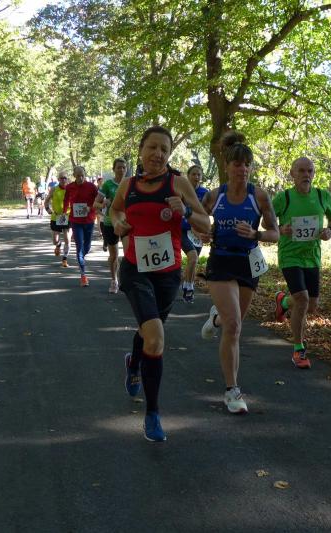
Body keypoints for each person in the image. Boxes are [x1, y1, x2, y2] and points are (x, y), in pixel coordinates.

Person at [109, 126, 210, 442]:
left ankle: (134, 362)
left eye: (164, 149)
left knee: (149, 335)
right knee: (155, 336)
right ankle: (152, 414)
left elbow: (205, 223)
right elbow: (115, 210)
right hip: (135, 270)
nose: (158, 154)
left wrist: (187, 210)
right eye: (152, 147)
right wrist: (118, 223)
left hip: (168, 274)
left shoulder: (178, 183)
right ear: (141, 150)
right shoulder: (128, 185)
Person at [199, 131, 279, 414]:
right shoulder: (215, 196)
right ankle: (232, 390)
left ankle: (216, 318)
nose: (242, 169)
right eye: (237, 164)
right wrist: (204, 233)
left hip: (247, 263)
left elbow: (275, 233)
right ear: (227, 166)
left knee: (233, 323)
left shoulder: (259, 196)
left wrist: (256, 233)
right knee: (234, 326)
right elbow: (197, 221)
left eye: (247, 165)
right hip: (221, 261)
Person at [271, 157, 331, 369]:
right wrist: (280, 229)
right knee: (302, 299)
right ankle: (298, 349)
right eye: (301, 171)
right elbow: (267, 221)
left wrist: (329, 230)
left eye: (310, 171)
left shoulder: (322, 196)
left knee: (311, 305)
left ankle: (283, 302)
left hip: (312, 256)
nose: (306, 175)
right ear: (292, 174)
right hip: (290, 255)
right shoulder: (284, 198)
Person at [94, 159, 127, 293]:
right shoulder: (108, 185)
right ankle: (114, 280)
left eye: (124, 167)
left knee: (129, 254)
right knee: (114, 255)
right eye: (119, 167)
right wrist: (103, 203)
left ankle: (127, 280)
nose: (121, 170)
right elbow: (95, 204)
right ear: (113, 169)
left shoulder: (130, 183)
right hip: (110, 223)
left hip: (126, 223)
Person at [63, 166, 98, 286]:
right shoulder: (70, 187)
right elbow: (66, 200)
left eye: (82, 175)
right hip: (75, 221)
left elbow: (98, 201)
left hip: (89, 220)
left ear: (85, 174)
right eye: (78, 176)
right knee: (79, 247)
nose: (80, 178)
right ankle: (83, 275)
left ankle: (81, 256)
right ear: (74, 175)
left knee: (87, 247)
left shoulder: (91, 187)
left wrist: (90, 208)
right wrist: (64, 212)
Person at [180, 165, 209, 303]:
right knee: (193, 257)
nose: (196, 177)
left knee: (194, 260)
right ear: (188, 175)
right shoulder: (181, 190)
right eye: (194, 174)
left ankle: (187, 284)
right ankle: (189, 287)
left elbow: (208, 212)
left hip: (198, 231)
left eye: (199, 174)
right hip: (182, 230)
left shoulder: (205, 193)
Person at [45, 171, 71, 267]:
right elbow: (46, 201)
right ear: (58, 179)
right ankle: (58, 245)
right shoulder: (54, 189)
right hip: (56, 217)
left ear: (67, 179)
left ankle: (64, 259)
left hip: (67, 216)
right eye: (61, 178)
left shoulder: (70, 189)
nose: (63, 180)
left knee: (67, 239)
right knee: (55, 240)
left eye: (65, 178)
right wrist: (48, 209)